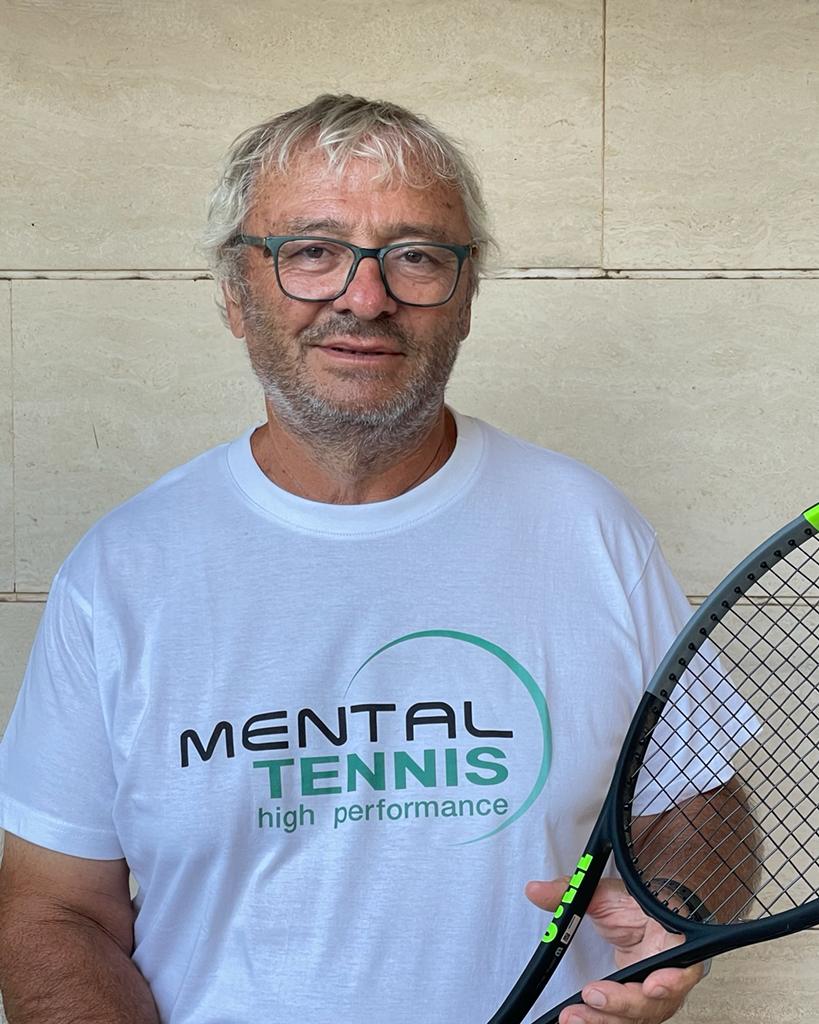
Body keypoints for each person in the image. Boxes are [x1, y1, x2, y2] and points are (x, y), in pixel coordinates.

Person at [0, 94, 741, 1024]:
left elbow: (699, 805)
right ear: (234, 293)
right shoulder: (123, 571)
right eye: (312, 251)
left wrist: (671, 908)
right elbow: (54, 909)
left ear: (465, 298)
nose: (364, 296)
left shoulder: (588, 528)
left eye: (416, 255)